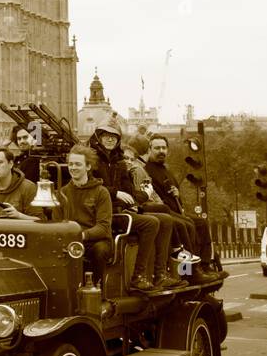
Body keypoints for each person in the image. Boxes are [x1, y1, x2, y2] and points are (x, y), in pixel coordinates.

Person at [88, 117, 172, 293]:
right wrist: (115, 193)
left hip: (120, 210)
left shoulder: (119, 162)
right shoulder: (92, 159)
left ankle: (160, 275)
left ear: (118, 139)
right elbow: (92, 186)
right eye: (106, 136)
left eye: (114, 136)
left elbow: (128, 191)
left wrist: (130, 197)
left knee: (165, 220)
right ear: (99, 137)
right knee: (151, 223)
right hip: (105, 213)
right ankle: (138, 277)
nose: (110, 139)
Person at [143, 134, 216, 283]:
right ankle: (187, 272)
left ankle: (204, 265)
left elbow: (177, 199)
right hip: (165, 213)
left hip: (175, 211)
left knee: (201, 223)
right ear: (149, 150)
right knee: (187, 226)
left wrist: (177, 193)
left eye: (163, 148)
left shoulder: (166, 170)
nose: (161, 151)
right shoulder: (147, 170)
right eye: (157, 148)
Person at [53, 145, 113, 287]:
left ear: (88, 167)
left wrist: (82, 235)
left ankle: (97, 292)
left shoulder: (101, 192)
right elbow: (57, 223)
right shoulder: (62, 193)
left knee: (100, 251)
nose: (73, 167)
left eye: (78, 164)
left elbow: (103, 227)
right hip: (70, 240)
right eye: (71, 164)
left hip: (95, 241)